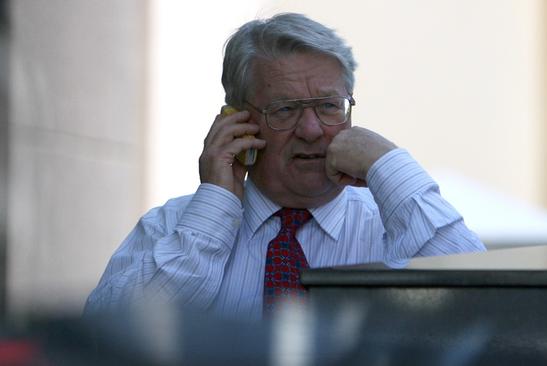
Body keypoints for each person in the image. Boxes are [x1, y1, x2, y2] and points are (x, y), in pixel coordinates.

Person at [84, 13, 485, 319]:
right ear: (237, 121)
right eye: (285, 109)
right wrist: (214, 209)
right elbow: (109, 344)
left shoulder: (394, 229)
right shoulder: (172, 228)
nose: (311, 130)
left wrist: (390, 166)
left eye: (329, 106)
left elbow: (489, 311)